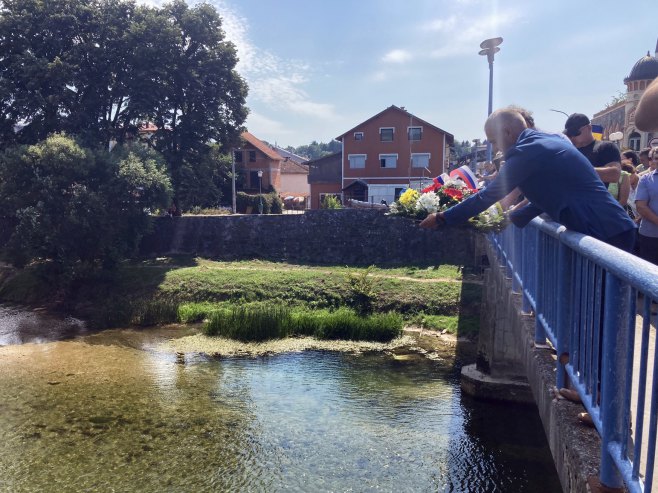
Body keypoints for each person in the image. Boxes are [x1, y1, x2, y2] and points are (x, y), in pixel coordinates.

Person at [419, 108, 636, 252]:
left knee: (601, 312)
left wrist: (442, 217)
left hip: (608, 230)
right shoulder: (542, 142)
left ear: (507, 131)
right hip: (610, 228)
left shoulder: (528, 150)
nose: (495, 149)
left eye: (494, 141)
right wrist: (510, 219)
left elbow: (490, 194)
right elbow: (547, 194)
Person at [562, 113, 621, 185]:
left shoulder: (606, 147)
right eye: (569, 134)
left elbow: (614, 174)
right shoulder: (568, 151)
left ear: (589, 128)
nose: (572, 137)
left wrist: (577, 171)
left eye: (575, 133)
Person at [635, 147, 658, 264]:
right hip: (651, 236)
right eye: (656, 158)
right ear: (652, 161)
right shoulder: (645, 179)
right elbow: (641, 206)